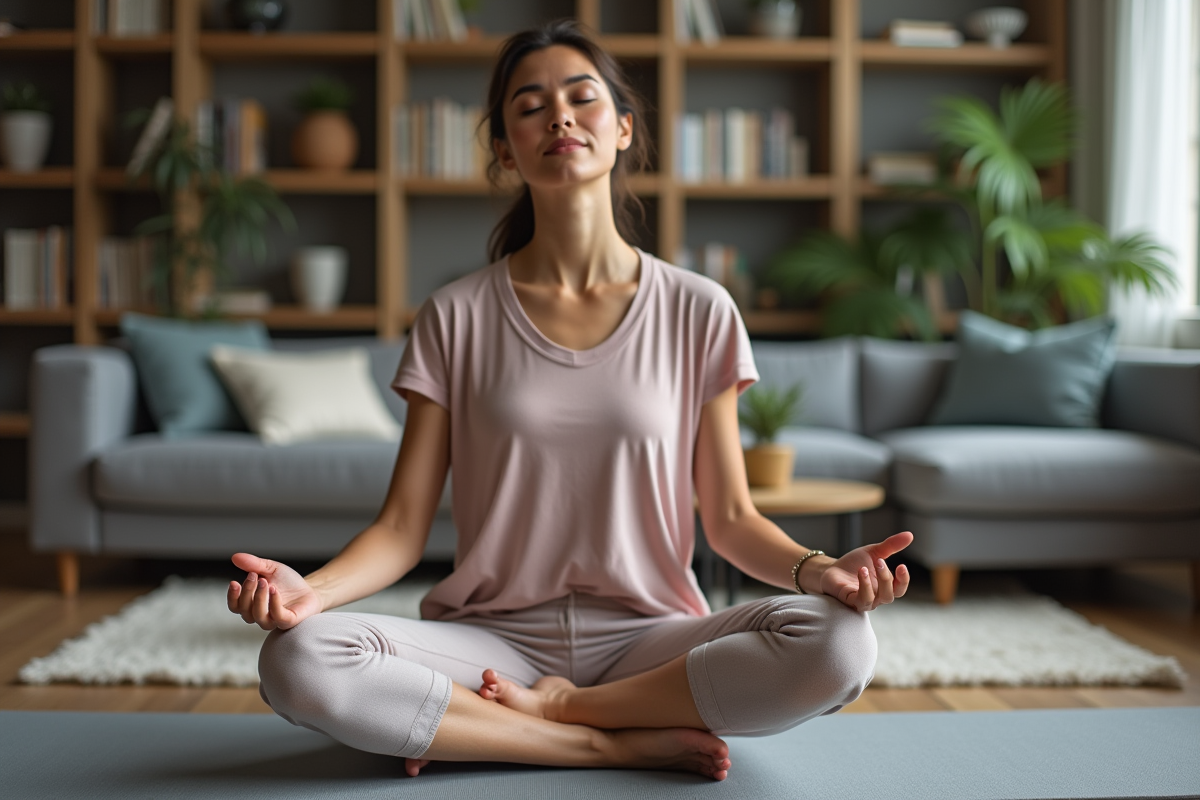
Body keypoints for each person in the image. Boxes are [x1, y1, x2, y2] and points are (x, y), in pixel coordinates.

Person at [227, 19, 912, 782]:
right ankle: (603, 740)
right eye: (530, 105)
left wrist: (821, 573)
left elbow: (731, 520)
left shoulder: (699, 309)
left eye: (582, 98)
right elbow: (400, 527)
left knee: (841, 644)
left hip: (651, 636)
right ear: (503, 148)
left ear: (621, 129)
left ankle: (543, 713)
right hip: (489, 637)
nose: (559, 115)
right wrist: (305, 593)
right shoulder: (455, 315)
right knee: (300, 659)